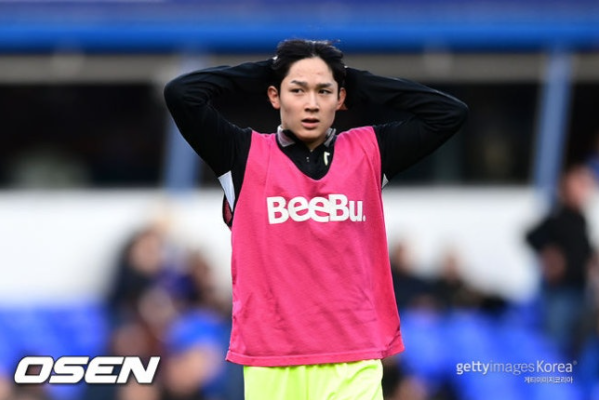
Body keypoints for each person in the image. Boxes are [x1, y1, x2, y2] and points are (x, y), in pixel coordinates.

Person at [164, 39, 468, 400]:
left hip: (353, 355)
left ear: (340, 99)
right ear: (274, 96)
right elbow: (182, 94)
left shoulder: (370, 151)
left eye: (324, 91)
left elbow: (449, 113)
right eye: (298, 90)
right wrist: (268, 70)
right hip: (271, 358)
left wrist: (358, 81)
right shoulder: (241, 155)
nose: (311, 103)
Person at [525, 164, 596, 356]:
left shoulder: (580, 219)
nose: (584, 192)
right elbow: (531, 236)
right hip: (561, 293)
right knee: (554, 345)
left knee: (576, 345)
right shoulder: (558, 217)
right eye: (579, 186)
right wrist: (549, 253)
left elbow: (581, 250)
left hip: (579, 289)